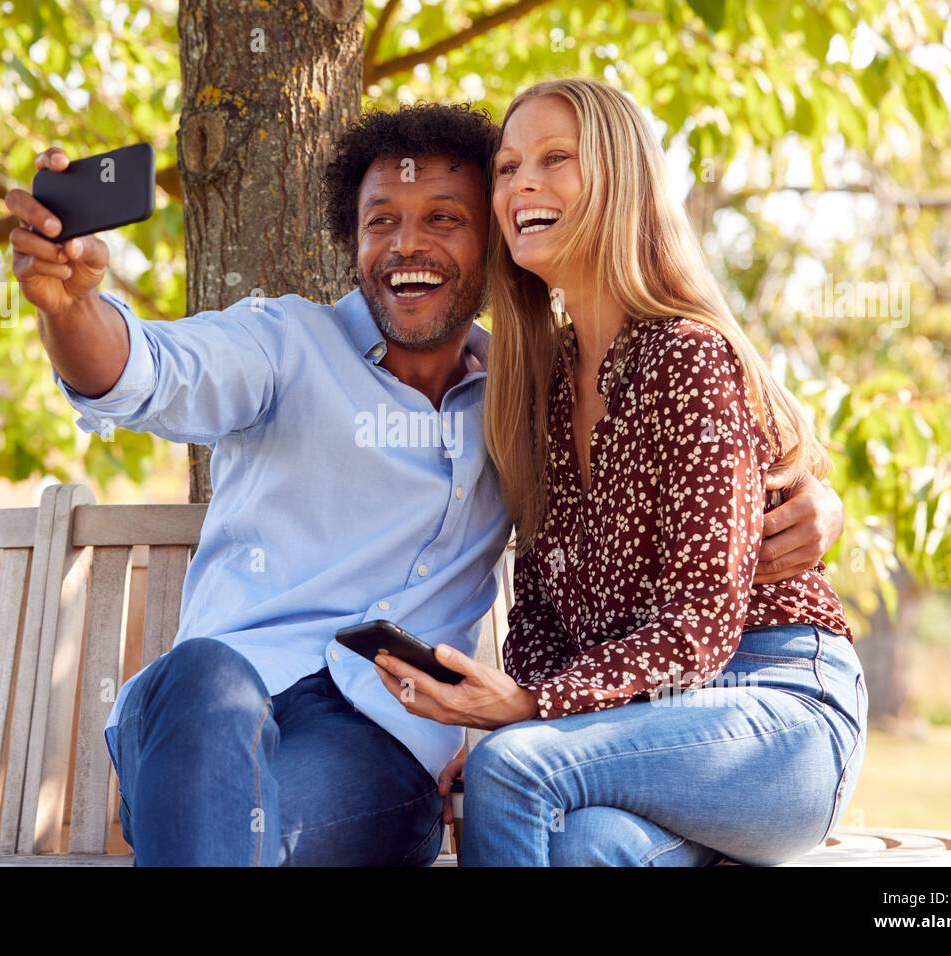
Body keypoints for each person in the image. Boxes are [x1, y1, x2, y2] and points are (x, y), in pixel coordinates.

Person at [3, 101, 844, 866]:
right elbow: (144, 369)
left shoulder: (523, 393)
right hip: (207, 723)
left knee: (261, 838)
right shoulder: (282, 348)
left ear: (491, 246)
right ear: (355, 241)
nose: (408, 245)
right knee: (205, 678)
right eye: (382, 222)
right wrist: (68, 307)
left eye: (445, 219)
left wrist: (818, 506)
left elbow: (727, 437)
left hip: (374, 744)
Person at [371, 80, 867, 867]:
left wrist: (532, 720)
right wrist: (533, 720)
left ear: (620, 180)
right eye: (506, 167)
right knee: (580, 848)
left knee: (511, 770)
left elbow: (704, 626)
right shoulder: (541, 385)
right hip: (636, 726)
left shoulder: (689, 359)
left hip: (771, 710)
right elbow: (536, 612)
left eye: (554, 159)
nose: (520, 183)